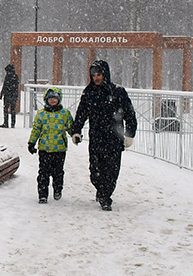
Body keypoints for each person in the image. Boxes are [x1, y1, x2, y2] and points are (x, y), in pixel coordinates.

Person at [70, 59, 138, 211]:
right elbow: (81, 113)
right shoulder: (89, 92)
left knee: (111, 172)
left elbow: (130, 114)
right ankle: (101, 189)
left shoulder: (118, 92)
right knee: (95, 172)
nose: (96, 78)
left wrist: (130, 134)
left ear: (105, 74)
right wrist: (76, 131)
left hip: (114, 139)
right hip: (96, 139)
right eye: (94, 75)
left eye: (99, 74)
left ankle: (105, 197)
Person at [27, 86, 73, 203]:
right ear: (46, 99)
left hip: (59, 148)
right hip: (44, 148)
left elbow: (70, 127)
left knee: (58, 172)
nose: (52, 100)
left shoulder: (64, 113)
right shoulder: (41, 114)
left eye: (55, 98)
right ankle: (42, 194)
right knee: (43, 172)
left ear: (59, 99)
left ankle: (58, 189)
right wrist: (32, 142)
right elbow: (36, 129)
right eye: (50, 98)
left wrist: (75, 135)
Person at [0, 63, 20, 128]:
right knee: (13, 110)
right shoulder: (16, 76)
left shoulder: (7, 76)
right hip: (14, 95)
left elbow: (5, 85)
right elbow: (17, 86)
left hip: (7, 95)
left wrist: (2, 93)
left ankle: (6, 123)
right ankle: (13, 123)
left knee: (6, 109)